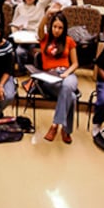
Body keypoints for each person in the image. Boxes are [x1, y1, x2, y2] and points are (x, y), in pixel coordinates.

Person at [37, 11, 79, 143]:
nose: (57, 30)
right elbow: (39, 29)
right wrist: (46, 16)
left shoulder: (69, 41)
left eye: (60, 28)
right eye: (55, 27)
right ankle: (66, 130)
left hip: (67, 74)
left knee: (67, 86)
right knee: (71, 96)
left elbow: (76, 63)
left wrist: (67, 73)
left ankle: (55, 125)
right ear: (51, 26)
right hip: (50, 77)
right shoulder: (45, 38)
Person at [10, 0, 55, 69]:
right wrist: (16, 32)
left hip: (37, 34)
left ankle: (34, 69)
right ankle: (22, 69)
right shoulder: (20, 7)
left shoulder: (41, 5)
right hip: (24, 35)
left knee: (33, 50)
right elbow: (14, 23)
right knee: (19, 52)